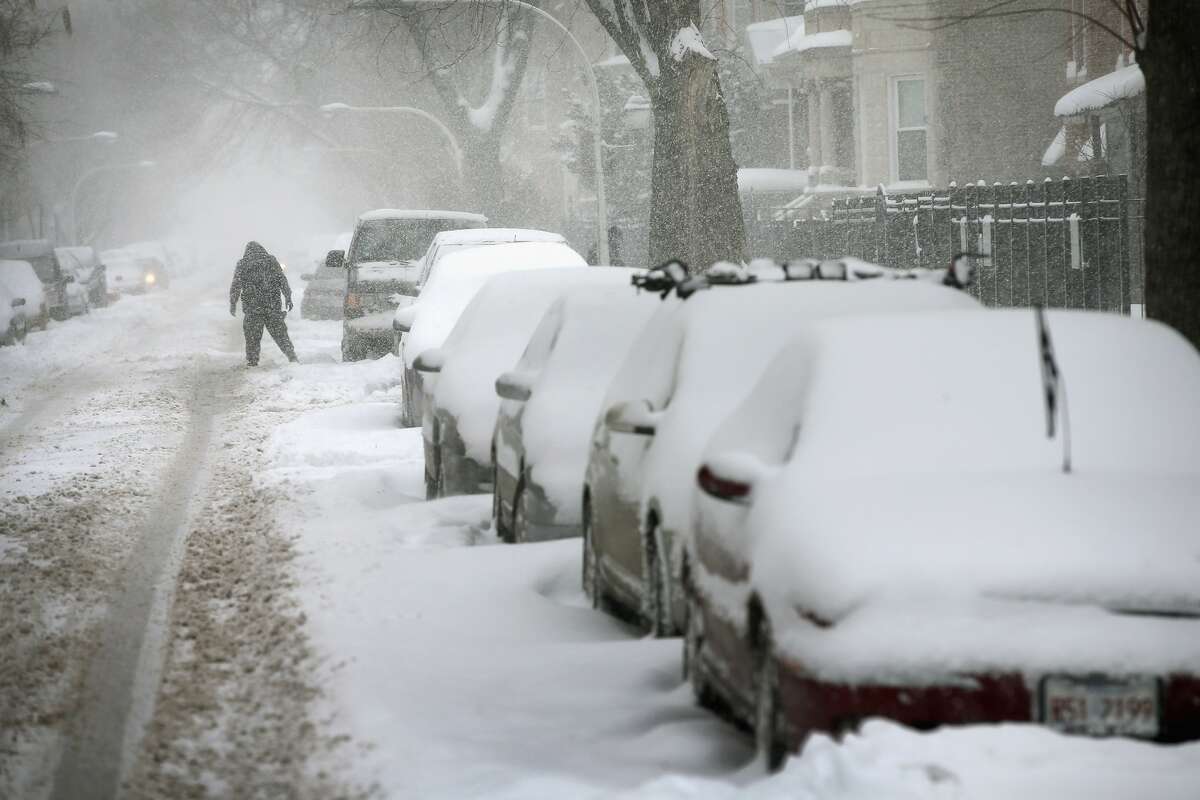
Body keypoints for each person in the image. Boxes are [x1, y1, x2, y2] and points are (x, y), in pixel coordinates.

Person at [229, 241, 298, 366]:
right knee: (281, 335)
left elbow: (236, 285)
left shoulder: (243, 264)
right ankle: (292, 356)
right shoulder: (270, 261)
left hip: (253, 308)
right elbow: (281, 279)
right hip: (272, 306)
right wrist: (288, 297)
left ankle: (252, 361)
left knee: (252, 337)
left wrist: (233, 303)